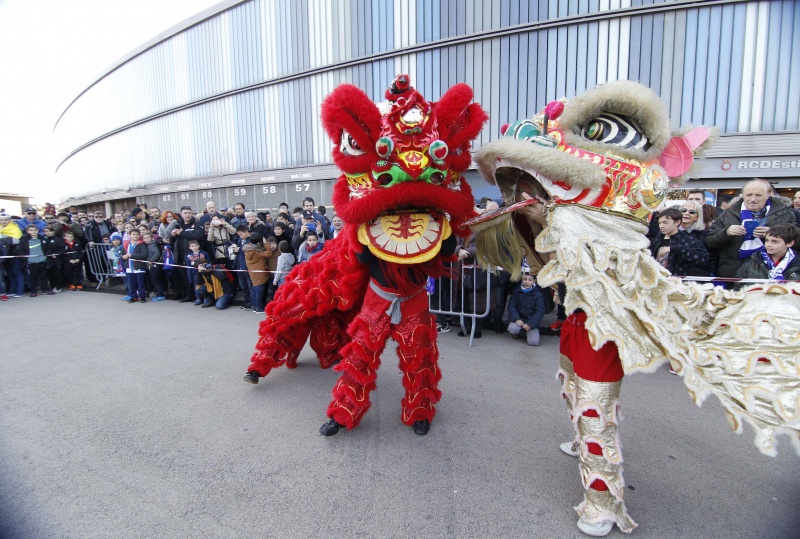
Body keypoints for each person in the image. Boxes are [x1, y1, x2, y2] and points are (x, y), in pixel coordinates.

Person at [705, 180, 797, 278]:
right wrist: (726, 233)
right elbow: (709, 242)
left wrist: (773, 234)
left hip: (774, 272)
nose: (753, 199)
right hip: (733, 273)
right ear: (742, 195)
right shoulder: (727, 214)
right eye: (749, 195)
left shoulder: (785, 214)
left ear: (769, 194)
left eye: (758, 195)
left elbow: (796, 241)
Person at [649, 207, 709, 277]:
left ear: (677, 222)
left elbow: (703, 258)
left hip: (678, 282)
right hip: (657, 280)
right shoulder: (657, 239)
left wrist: (676, 249)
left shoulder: (688, 239)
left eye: (665, 223)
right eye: (659, 223)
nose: (661, 226)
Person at [734, 223, 800, 283]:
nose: (768, 245)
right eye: (767, 240)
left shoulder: (797, 262)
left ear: (790, 243)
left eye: (774, 241)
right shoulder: (753, 260)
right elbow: (738, 286)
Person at [172, 206, 206, 302]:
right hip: (180, 254)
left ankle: (198, 296)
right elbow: (171, 240)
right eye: (185, 213)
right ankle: (186, 294)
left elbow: (199, 235)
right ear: (181, 214)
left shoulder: (197, 223)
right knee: (183, 276)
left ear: (192, 213)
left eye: (189, 213)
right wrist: (173, 235)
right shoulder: (178, 223)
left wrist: (182, 232)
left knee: (195, 276)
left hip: (194, 255)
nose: (187, 215)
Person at [506, 272, 545, 346]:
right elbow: (511, 306)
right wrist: (516, 319)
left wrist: (530, 324)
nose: (527, 282)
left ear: (534, 281)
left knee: (534, 342)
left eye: (530, 280)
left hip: (531, 320)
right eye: (525, 279)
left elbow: (540, 312)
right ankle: (519, 332)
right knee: (512, 328)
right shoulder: (516, 291)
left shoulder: (538, 294)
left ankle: (530, 332)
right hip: (520, 319)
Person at [243, 232, 272, 313]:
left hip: (253, 272)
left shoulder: (249, 249)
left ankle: (254, 306)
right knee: (259, 290)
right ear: (259, 242)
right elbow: (268, 253)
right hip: (259, 273)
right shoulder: (256, 251)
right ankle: (259, 308)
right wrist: (266, 244)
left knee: (255, 289)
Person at [18, 224, 51, 296]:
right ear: (27, 231)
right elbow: (20, 251)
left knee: (44, 276)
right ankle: (33, 291)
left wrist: (45, 256)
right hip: (31, 262)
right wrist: (26, 258)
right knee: (32, 277)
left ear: (38, 230)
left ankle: (45, 289)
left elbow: (48, 248)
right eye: (31, 230)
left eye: (35, 230)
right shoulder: (24, 240)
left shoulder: (42, 239)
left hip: (42, 261)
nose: (33, 232)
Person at [0, 212, 25, 297]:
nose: (4, 221)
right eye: (1, 220)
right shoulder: (0, 228)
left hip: (14, 254)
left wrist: (2, 237)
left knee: (17, 272)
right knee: (9, 273)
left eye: (6, 220)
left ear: (10, 220)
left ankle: (20, 291)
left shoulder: (14, 228)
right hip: (4, 254)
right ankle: (12, 290)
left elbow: (16, 241)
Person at [122, 229, 148, 302]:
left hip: (139, 268)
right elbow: (121, 253)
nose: (136, 236)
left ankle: (142, 296)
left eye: (137, 234)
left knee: (140, 283)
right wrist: (123, 256)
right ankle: (133, 296)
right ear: (130, 235)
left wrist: (132, 255)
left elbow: (144, 255)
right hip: (129, 267)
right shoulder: (126, 244)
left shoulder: (142, 244)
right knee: (131, 283)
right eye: (134, 234)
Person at [232, 225, 253, 310]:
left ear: (246, 232)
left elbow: (250, 252)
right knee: (243, 286)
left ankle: (252, 303)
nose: (240, 236)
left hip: (247, 266)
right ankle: (246, 302)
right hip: (239, 265)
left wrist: (240, 250)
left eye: (241, 234)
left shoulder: (251, 240)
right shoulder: (240, 240)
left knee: (250, 286)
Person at [184, 239, 211, 304]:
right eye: (192, 246)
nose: (194, 247)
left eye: (196, 245)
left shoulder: (204, 253)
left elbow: (209, 262)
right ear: (189, 247)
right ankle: (198, 298)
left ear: (199, 246)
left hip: (204, 273)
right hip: (194, 274)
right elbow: (188, 267)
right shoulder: (188, 256)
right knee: (196, 286)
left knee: (205, 285)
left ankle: (206, 298)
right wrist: (190, 278)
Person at [142, 231, 166, 301]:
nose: (146, 239)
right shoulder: (149, 245)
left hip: (153, 266)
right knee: (154, 281)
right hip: (151, 266)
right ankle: (159, 294)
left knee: (155, 281)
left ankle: (161, 295)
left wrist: (151, 261)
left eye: (148, 238)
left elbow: (157, 253)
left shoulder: (152, 245)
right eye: (145, 238)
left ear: (152, 238)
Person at [41, 225, 66, 293]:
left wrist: (57, 254)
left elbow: (62, 248)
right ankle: (53, 286)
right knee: (50, 274)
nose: (48, 233)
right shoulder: (43, 240)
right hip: (48, 260)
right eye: (46, 231)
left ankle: (58, 286)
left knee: (58, 273)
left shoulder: (57, 239)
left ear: (53, 232)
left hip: (56, 259)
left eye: (50, 231)